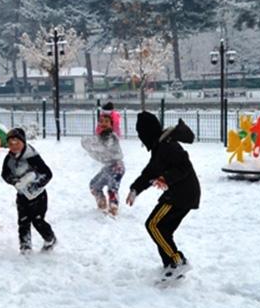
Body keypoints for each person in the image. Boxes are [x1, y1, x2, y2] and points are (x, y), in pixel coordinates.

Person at [126, 112, 200, 281]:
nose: (139, 137)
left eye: (140, 132)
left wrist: (165, 178)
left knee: (153, 225)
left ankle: (178, 262)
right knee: (163, 229)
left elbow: (184, 166)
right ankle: (171, 265)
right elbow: (150, 172)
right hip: (180, 194)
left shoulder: (168, 146)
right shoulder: (160, 146)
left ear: (147, 131)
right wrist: (135, 189)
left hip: (181, 195)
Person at [0, 127, 57, 254]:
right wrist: (14, 181)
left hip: (38, 196)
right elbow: (5, 174)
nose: (14, 146)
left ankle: (50, 238)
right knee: (23, 221)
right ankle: (25, 246)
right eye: (10, 144)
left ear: (23, 142)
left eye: (17, 143)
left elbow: (47, 173)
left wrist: (36, 185)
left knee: (37, 220)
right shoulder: (9, 159)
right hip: (22, 195)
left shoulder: (32, 156)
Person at [81, 111, 125, 215]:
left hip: (117, 167)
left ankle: (113, 208)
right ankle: (102, 203)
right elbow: (96, 148)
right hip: (108, 167)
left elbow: (105, 147)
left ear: (111, 124)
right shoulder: (100, 137)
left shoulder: (111, 136)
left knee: (112, 188)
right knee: (94, 185)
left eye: (106, 121)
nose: (103, 123)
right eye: (101, 121)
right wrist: (87, 144)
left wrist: (92, 146)